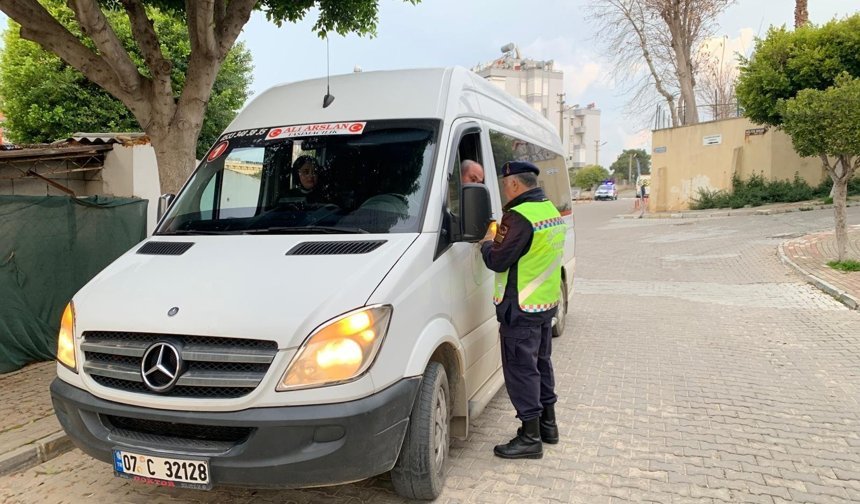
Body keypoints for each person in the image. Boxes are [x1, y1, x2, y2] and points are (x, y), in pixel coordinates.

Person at [479, 160, 565, 460]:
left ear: (514, 184)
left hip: (520, 309)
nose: (505, 191)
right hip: (543, 305)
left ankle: (530, 438)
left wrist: (487, 242)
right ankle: (548, 426)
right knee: (541, 364)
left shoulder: (518, 216)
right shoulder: (549, 209)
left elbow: (498, 260)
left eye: (505, 185)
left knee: (521, 370)